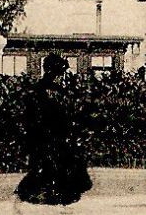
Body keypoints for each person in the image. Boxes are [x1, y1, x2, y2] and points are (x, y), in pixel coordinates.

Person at [15, 54, 93, 206]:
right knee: (50, 166)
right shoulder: (41, 91)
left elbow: (66, 115)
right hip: (45, 137)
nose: (62, 76)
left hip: (57, 137)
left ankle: (58, 196)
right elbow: (34, 117)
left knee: (66, 164)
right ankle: (41, 195)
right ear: (52, 72)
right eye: (60, 72)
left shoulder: (56, 90)